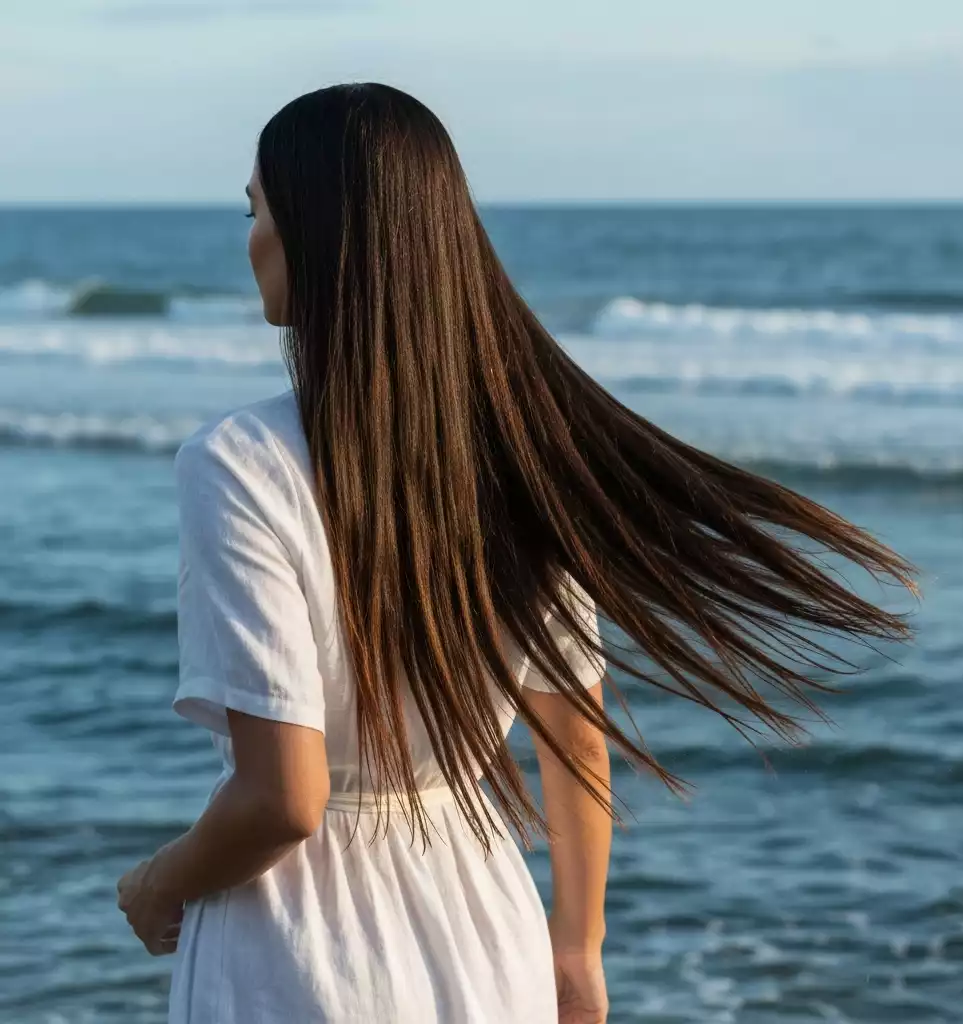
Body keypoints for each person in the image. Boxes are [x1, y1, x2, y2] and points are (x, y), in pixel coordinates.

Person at [116, 83, 914, 1024]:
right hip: (484, 925)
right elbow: (572, 727)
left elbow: (283, 800)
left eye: (258, 211)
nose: (250, 240)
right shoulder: (513, 451)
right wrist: (576, 950)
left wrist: (158, 883)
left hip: (299, 949)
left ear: (317, 232)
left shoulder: (240, 464)